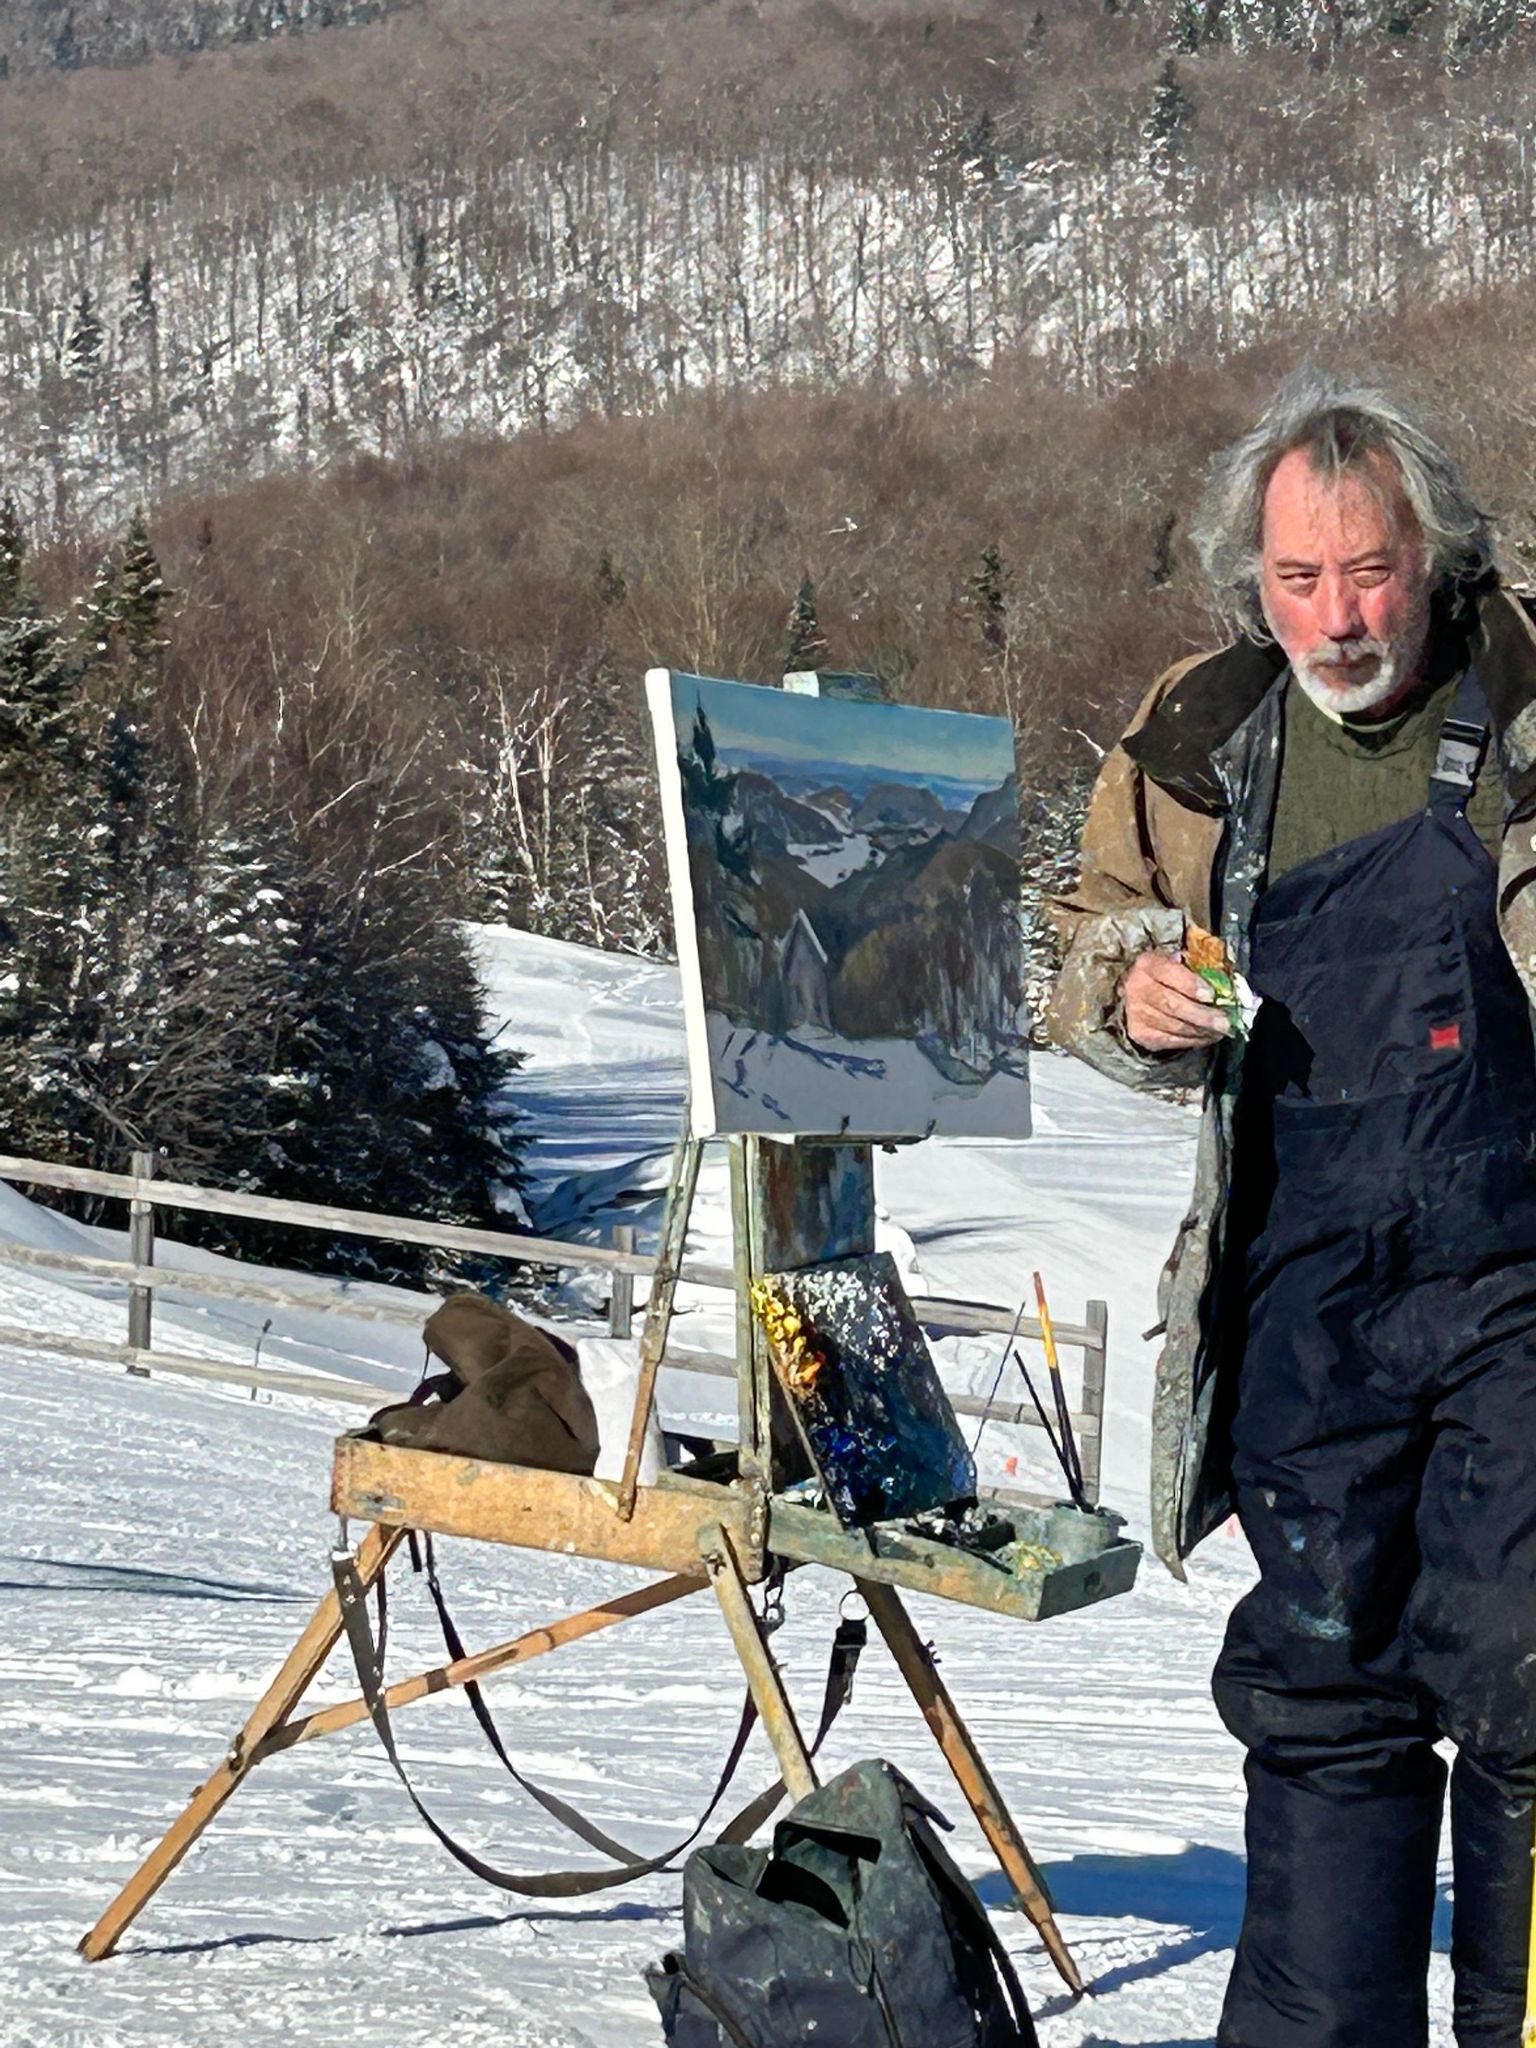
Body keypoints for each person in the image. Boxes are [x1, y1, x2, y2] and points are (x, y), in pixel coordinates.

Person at [1047, 366, 1536, 2048]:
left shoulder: (1525, 685)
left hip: (1518, 1273)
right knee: (1327, 1680)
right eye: (1298, 578)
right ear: (1248, 579)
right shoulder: (1201, 734)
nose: (1337, 618)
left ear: (1434, 560)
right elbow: (1088, 932)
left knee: (1528, 1663)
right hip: (1303, 1280)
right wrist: (1129, 989)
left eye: (1370, 573)